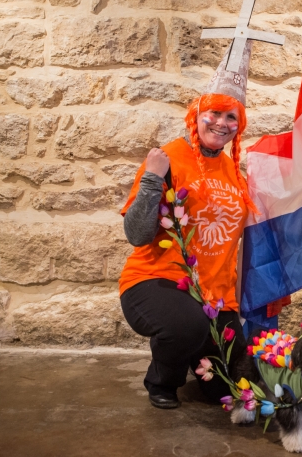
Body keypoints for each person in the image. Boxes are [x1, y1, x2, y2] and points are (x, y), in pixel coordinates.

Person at [118, 43, 258, 409]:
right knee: (188, 325)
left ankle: (196, 354)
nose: (222, 123)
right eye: (215, 113)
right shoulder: (168, 158)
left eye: (231, 117)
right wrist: (152, 179)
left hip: (215, 297)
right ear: (196, 114)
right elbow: (137, 234)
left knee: (232, 388)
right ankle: (163, 381)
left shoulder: (234, 172)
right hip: (157, 280)